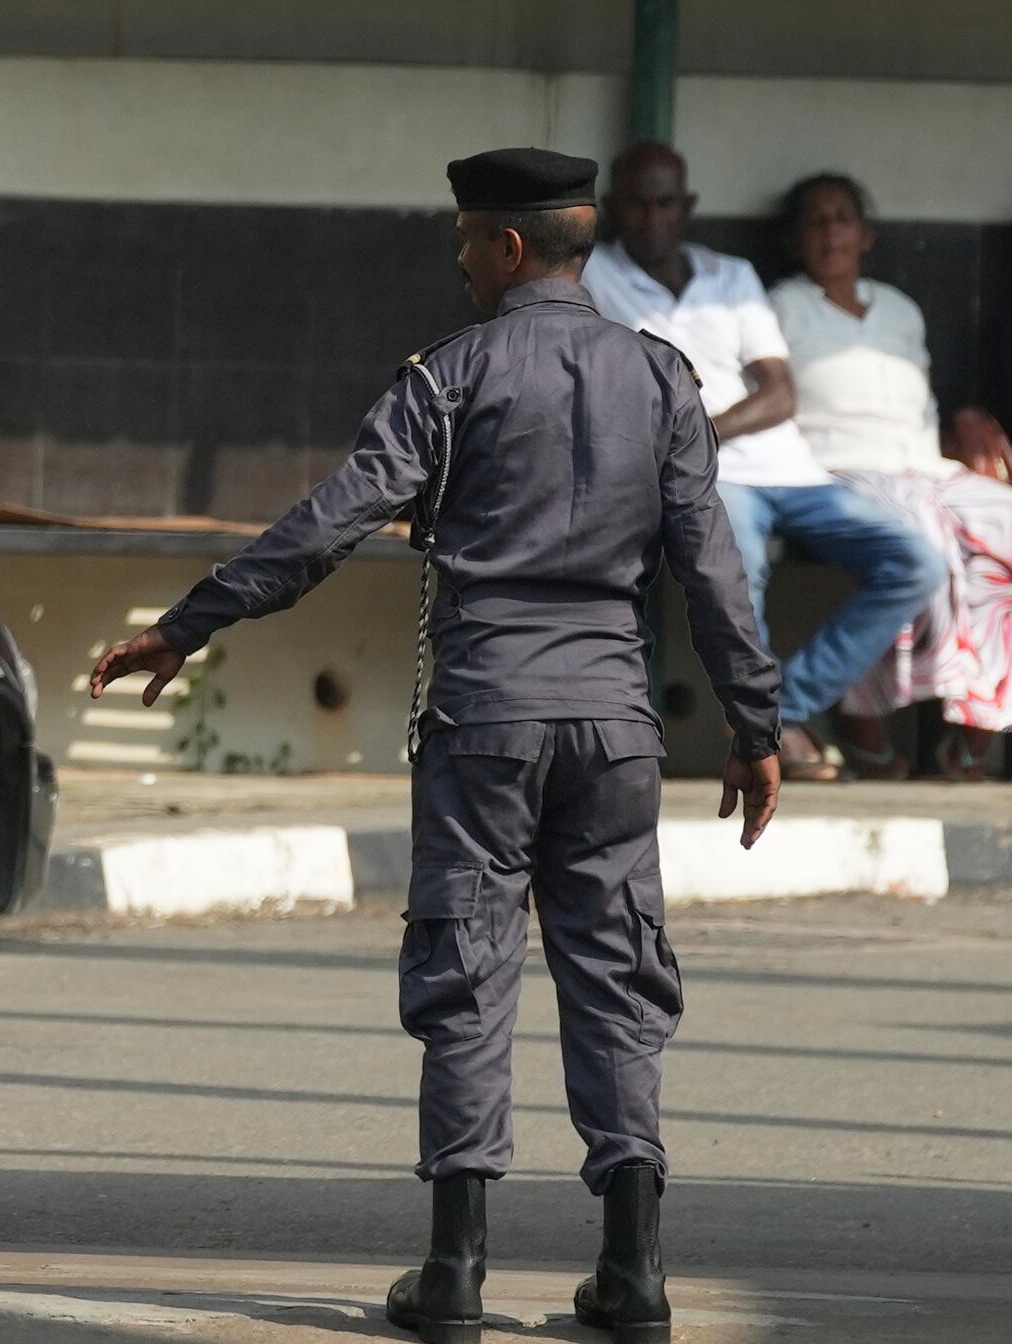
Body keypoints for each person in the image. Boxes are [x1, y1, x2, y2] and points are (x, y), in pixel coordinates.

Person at [92, 146, 785, 1344]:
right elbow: (710, 569)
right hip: (616, 728)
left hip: (485, 723)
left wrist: (188, 625)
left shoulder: (452, 376)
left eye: (466, 240)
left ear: (510, 245)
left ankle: (455, 1274)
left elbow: (328, 522)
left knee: (468, 981)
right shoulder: (661, 378)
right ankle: (634, 1274)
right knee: (616, 981)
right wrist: (756, 725)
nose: (459, 260)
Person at [585, 144, 940, 780]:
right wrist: (693, 451)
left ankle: (777, 713)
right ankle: (763, 730)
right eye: (637, 204)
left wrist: (706, 431)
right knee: (735, 574)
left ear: (687, 206)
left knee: (915, 562)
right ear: (613, 208)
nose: (652, 217)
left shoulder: (731, 276)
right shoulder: (593, 277)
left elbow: (780, 393)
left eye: (666, 202)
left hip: (793, 469)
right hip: (709, 480)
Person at [769, 172, 1012, 772]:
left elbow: (920, 405)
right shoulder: (781, 305)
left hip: (922, 463)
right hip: (836, 466)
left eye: (842, 219)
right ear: (797, 242)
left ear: (867, 234)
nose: (830, 233)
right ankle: (866, 720)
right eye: (816, 223)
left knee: (1004, 519)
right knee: (917, 535)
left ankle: (980, 716)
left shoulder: (900, 309)